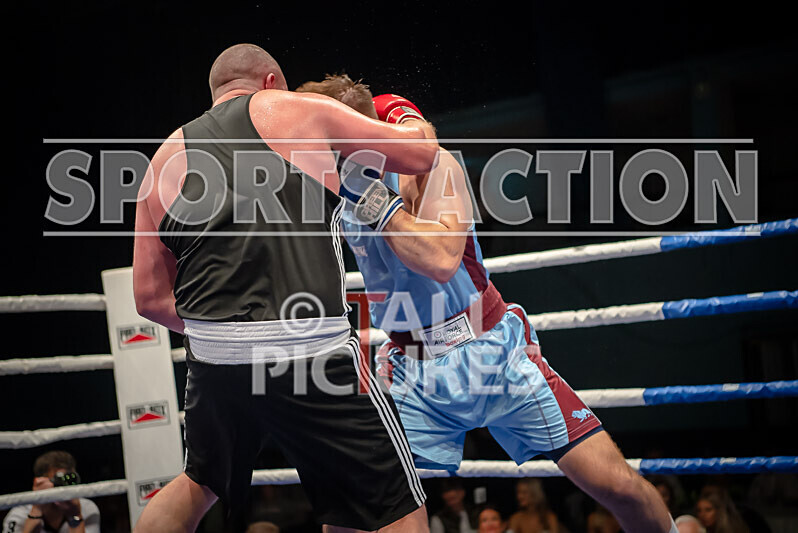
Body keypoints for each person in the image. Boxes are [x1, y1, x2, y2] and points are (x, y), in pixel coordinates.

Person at [297, 74, 679, 533]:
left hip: (493, 355)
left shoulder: (430, 168)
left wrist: (375, 199)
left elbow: (441, 260)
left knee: (617, 486)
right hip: (411, 369)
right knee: (352, 509)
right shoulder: (331, 187)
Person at [132, 44, 441, 532]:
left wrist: (228, 332)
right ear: (272, 81)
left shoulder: (162, 159)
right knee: (398, 506)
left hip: (214, 361)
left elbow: (149, 299)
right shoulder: (298, 108)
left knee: (198, 482)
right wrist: (402, 112)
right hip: (310, 350)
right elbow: (421, 154)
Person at [2, 451, 100, 533]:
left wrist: (75, 516)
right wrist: (36, 510)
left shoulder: (87, 508)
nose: (64, 487)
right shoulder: (20, 513)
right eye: (58, 480)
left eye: (69, 480)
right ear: (39, 483)